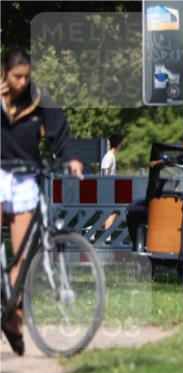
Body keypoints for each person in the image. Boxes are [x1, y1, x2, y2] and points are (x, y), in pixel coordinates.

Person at [1, 47, 83, 356]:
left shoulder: (37, 98)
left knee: (22, 258)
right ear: (4, 74)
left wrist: (72, 157)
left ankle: (11, 316)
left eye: (26, 76)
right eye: (16, 77)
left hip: (24, 178)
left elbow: (60, 132)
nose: (22, 82)